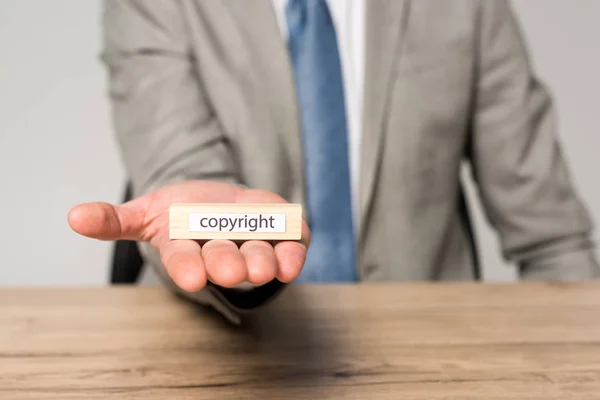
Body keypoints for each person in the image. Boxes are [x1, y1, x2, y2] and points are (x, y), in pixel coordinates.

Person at [69, 0, 599, 323]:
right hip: (222, 354)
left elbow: (555, 242)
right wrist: (211, 228)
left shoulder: (467, 7)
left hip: (430, 360)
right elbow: (178, 165)